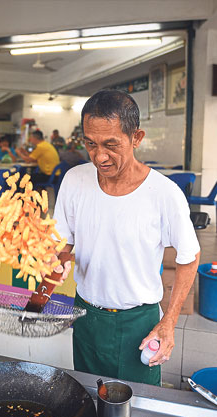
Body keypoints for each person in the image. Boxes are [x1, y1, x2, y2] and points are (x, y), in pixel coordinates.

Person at [53, 89, 200, 386]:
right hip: (86, 316)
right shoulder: (74, 181)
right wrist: (57, 261)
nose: (100, 156)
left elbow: (190, 256)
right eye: (90, 144)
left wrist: (168, 322)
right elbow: (64, 242)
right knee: (87, 400)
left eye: (111, 144)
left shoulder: (163, 193)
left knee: (138, 410)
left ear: (136, 137)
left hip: (138, 323)